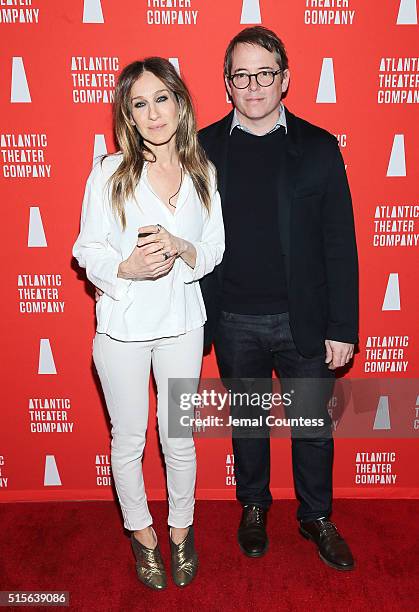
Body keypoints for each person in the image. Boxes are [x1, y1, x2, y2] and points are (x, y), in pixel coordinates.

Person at [198, 26, 359, 571]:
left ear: (285, 79)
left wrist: (344, 326)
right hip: (233, 317)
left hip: (304, 321)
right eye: (241, 75)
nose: (254, 85)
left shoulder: (318, 147)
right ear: (227, 84)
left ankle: (316, 515)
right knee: (248, 425)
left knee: (313, 426)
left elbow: (340, 243)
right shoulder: (202, 148)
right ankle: (254, 508)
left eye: (265, 73)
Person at [73, 57, 224, 590]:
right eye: (140, 103)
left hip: (183, 322)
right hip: (122, 328)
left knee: (179, 438)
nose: (154, 112)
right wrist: (125, 268)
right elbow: (86, 248)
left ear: (180, 103)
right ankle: (143, 538)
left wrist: (184, 247)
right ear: (128, 117)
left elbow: (213, 250)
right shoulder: (108, 172)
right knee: (130, 440)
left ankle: (181, 532)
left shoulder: (203, 171)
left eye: (162, 98)